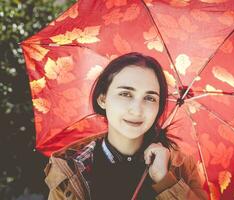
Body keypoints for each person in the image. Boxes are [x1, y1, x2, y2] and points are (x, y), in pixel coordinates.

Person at [44, 52, 208, 200]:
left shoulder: (180, 167)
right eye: (125, 94)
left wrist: (164, 180)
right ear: (102, 99)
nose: (137, 110)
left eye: (150, 98)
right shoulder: (72, 169)